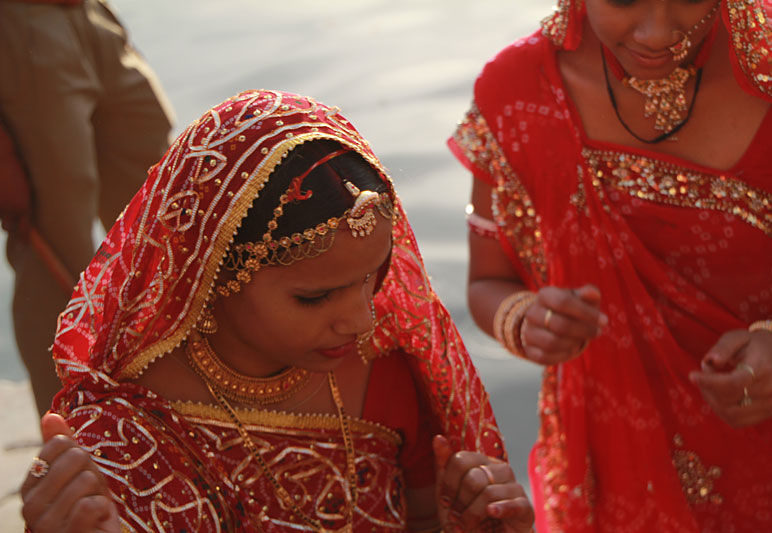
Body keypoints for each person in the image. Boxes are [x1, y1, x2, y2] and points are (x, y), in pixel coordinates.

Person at [19, 90, 534, 532]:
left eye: (371, 278)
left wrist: (476, 519)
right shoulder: (124, 431)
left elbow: (423, 521)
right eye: (315, 297)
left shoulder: (389, 369)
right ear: (209, 276)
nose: (361, 320)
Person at [449, 0, 772, 530]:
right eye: (622, 1)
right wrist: (527, 320)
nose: (656, 33)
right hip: (611, 473)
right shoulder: (520, 92)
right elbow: (488, 282)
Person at [0, 0, 174, 415]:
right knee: (54, 246)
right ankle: (76, 439)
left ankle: (178, 406)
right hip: (18, 27)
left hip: (90, 15)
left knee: (169, 216)